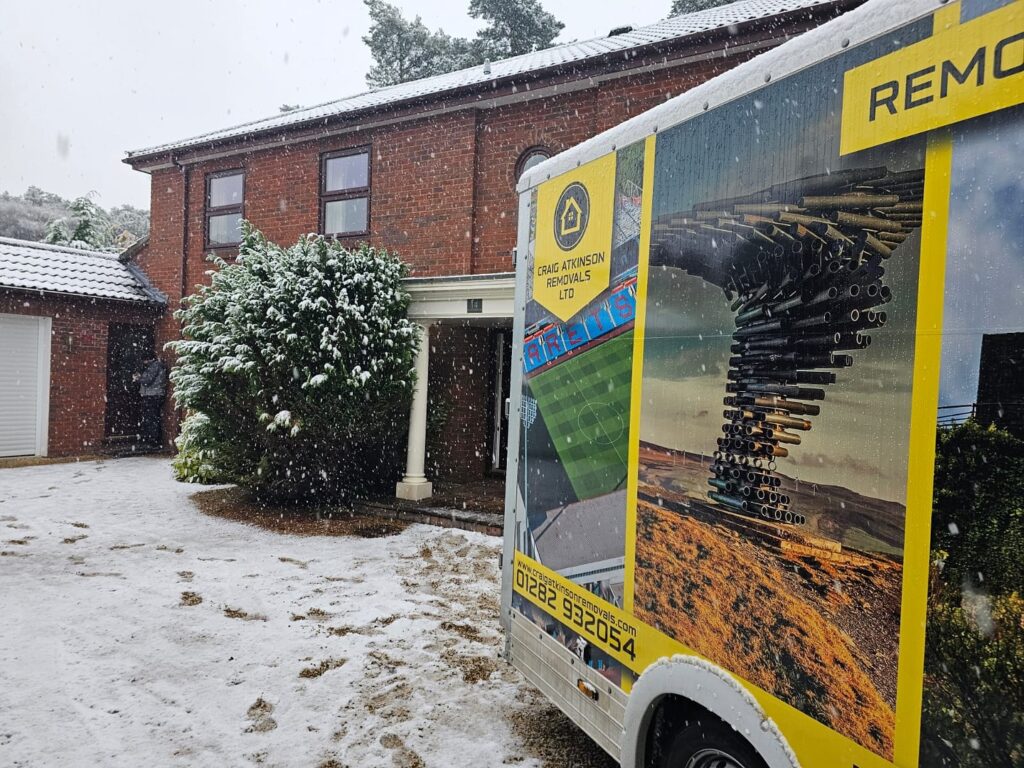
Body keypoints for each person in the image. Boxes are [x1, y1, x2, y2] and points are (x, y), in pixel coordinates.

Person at [133, 355, 167, 448]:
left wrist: (138, 378)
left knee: (151, 418)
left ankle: (154, 440)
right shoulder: (156, 366)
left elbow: (147, 381)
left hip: (153, 395)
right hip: (154, 394)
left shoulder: (154, 366)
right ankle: (153, 439)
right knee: (152, 417)